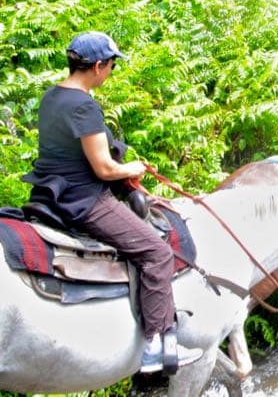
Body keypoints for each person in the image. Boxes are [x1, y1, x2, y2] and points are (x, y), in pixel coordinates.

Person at [22, 32, 202, 373]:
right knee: (156, 252)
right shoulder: (83, 106)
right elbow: (104, 168)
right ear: (98, 66)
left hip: (49, 192)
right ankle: (154, 345)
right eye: (111, 66)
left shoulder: (51, 96)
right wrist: (133, 168)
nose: (111, 72)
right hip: (83, 200)